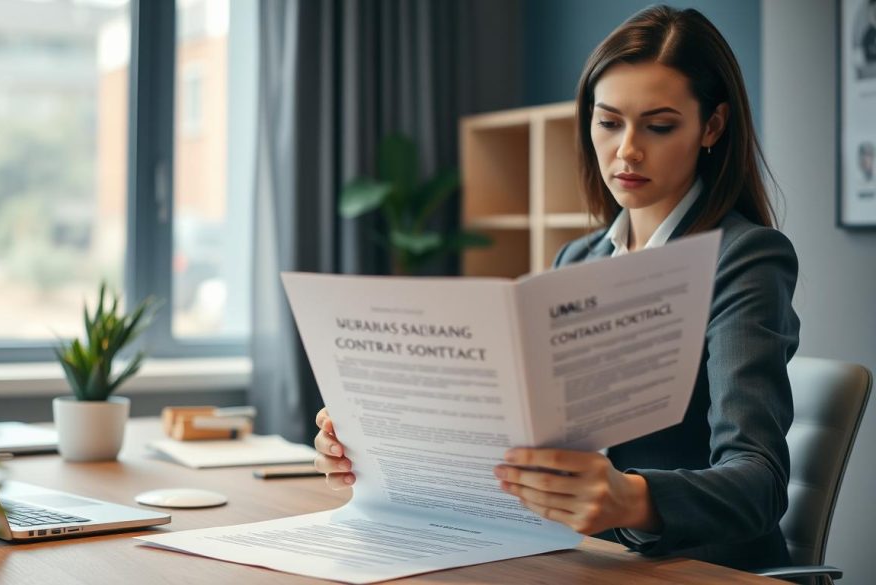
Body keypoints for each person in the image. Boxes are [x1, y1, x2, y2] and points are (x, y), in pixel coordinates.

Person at [312, 5, 799, 572]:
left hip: (699, 569)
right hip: (581, 556)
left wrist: (632, 499)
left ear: (711, 127)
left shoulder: (744, 257)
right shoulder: (578, 259)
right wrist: (375, 441)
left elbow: (759, 483)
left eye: (659, 126)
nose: (627, 150)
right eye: (609, 122)